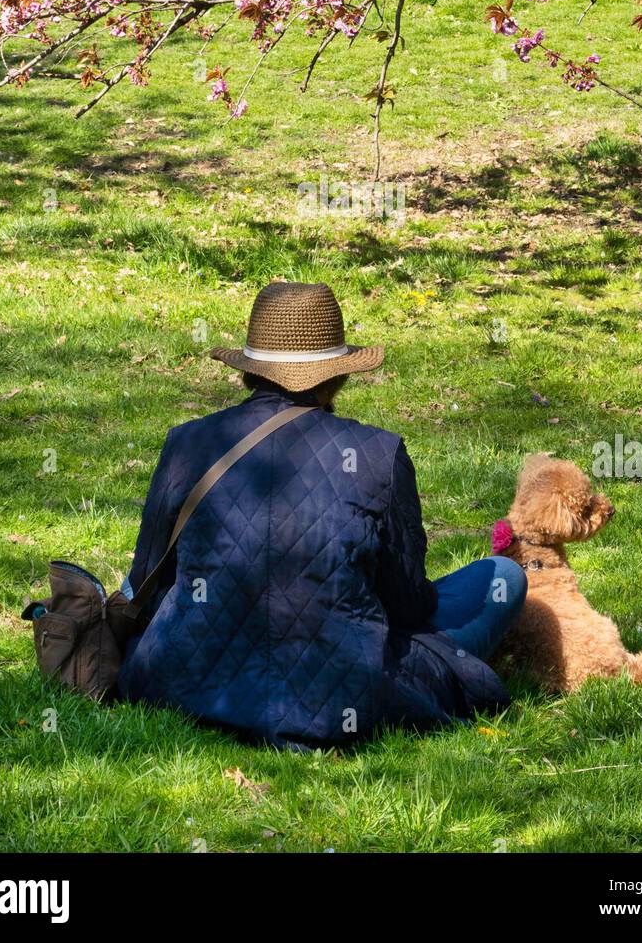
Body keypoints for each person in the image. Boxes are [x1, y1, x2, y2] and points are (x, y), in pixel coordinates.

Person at [117, 281, 526, 748]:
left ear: (250, 370)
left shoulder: (189, 442)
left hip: (183, 681)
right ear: (337, 374)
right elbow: (408, 606)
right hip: (336, 697)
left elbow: (147, 582)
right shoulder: (378, 453)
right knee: (505, 576)